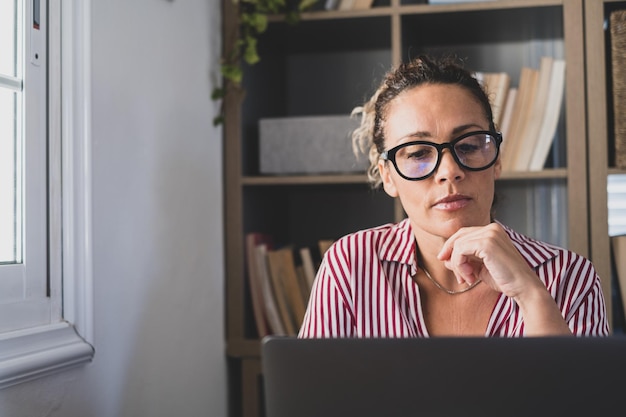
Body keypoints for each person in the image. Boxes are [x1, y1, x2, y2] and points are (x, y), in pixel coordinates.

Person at [298, 55, 609, 338]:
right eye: (418, 152)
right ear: (388, 176)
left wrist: (531, 294)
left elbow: (579, 401)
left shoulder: (570, 276)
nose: (449, 171)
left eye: (470, 146)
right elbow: (312, 398)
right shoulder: (352, 265)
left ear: (497, 158)